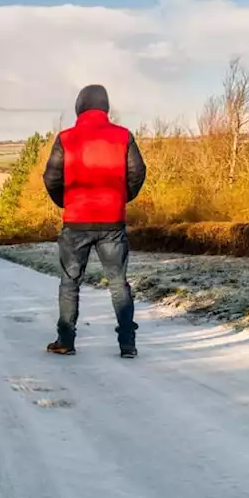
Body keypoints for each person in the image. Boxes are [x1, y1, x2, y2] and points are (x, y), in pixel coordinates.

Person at [41, 84, 147, 358]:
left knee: (69, 282)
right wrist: (120, 199)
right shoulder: (123, 136)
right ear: (105, 107)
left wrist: (67, 202)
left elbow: (51, 178)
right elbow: (137, 173)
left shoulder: (66, 138)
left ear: (79, 106)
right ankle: (128, 344)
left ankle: (65, 340)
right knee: (118, 283)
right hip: (112, 222)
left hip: (76, 222)